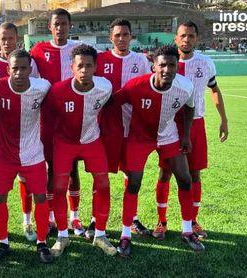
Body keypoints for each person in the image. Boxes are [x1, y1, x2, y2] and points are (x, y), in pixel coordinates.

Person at [108, 45, 205, 257]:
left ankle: (187, 230)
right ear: (154, 66)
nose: (167, 69)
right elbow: (113, 102)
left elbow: (189, 108)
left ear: (177, 66)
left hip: (168, 135)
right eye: (162, 65)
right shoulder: (136, 85)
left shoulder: (185, 86)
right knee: (133, 183)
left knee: (185, 179)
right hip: (139, 138)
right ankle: (125, 235)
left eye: (172, 65)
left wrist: (186, 135)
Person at [152, 22, 228, 240]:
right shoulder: (166, 63)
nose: (187, 39)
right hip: (170, 125)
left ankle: (193, 221)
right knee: (165, 172)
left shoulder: (205, 63)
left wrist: (224, 120)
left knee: (194, 173)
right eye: (183, 35)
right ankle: (161, 221)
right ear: (176, 38)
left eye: (191, 36)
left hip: (195, 123)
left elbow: (214, 89)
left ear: (197, 39)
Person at [44, 44, 116, 257]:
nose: (84, 70)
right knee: (58, 187)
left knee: (103, 184)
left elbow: (109, 105)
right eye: (80, 66)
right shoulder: (57, 91)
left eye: (89, 65)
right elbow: (47, 119)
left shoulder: (105, 87)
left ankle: (100, 234)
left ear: (96, 67)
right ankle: (62, 236)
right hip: (64, 143)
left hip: (92, 141)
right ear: (72, 68)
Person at [0, 49, 53, 265]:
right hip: (4, 156)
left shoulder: (42, 87)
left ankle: (42, 243)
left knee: (41, 197)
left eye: (24, 68)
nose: (19, 72)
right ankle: (3, 242)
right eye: (15, 68)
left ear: (30, 69)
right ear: (8, 69)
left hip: (33, 154)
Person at [0, 22, 40, 244]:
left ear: (17, 38)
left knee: (26, 179)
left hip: (26, 133)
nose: (7, 42)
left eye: (11, 38)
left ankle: (27, 220)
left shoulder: (27, 63)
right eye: (2, 38)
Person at [94, 18, 152, 239]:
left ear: (131, 36)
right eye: (117, 35)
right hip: (107, 126)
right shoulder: (100, 60)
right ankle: (94, 220)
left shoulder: (141, 61)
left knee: (132, 174)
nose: (121, 38)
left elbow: (147, 89)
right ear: (111, 37)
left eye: (125, 34)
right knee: (100, 174)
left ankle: (133, 218)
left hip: (134, 126)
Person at [30, 8, 85, 236]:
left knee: (73, 168)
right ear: (50, 27)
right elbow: (30, 82)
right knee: (51, 168)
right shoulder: (38, 50)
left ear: (70, 26)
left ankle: (75, 217)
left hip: (73, 118)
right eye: (56, 24)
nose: (60, 28)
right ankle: (52, 215)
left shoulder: (78, 50)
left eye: (64, 23)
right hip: (48, 119)